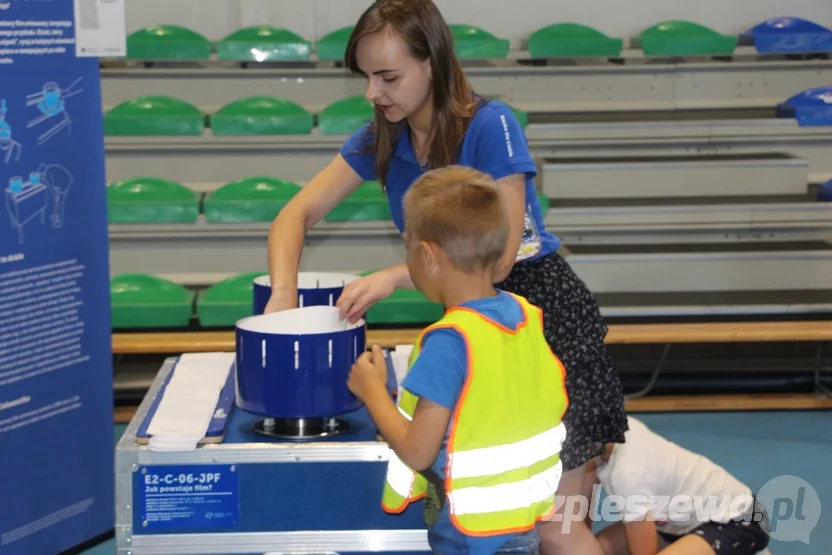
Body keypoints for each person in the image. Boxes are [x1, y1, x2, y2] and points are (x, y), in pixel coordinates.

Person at [264, 1, 629, 551]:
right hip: (476, 321)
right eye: (366, 78)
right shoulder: (382, 138)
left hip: (543, 321)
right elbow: (294, 215)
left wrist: (393, 274)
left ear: (431, 63)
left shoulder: (489, 125)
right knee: (504, 518)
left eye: (388, 77)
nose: (373, 93)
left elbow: (499, 258)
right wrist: (283, 298)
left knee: (555, 525)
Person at [346, 165, 570, 554]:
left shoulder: (450, 342)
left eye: (407, 246)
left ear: (428, 255)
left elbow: (418, 451)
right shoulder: (524, 315)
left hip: (471, 540)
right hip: (520, 527)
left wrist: (372, 392)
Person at [588, 416, 770, 555]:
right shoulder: (620, 426)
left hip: (739, 521)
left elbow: (645, 551)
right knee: (596, 548)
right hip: (676, 523)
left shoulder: (627, 475)